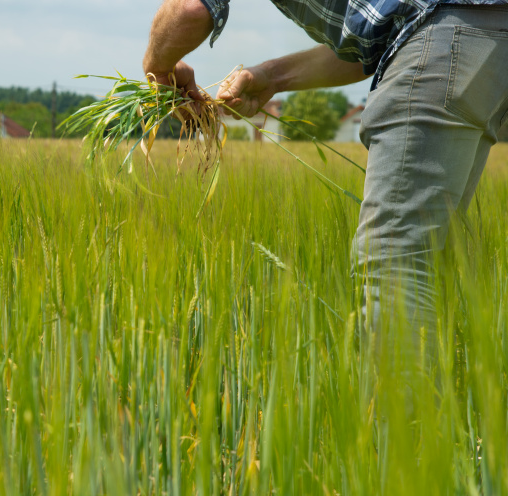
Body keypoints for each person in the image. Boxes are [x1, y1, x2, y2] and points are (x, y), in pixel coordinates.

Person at [143, 0, 508, 344]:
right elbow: (383, 36)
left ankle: (398, 411)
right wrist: (274, 76)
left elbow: (192, 9)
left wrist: (156, 70)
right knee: (433, 258)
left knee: (396, 269)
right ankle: (442, 404)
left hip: (446, 34)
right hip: (485, 35)